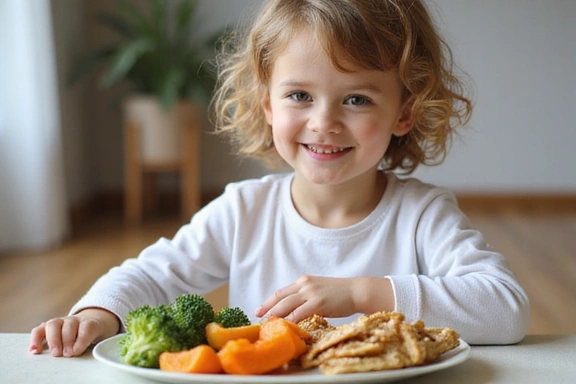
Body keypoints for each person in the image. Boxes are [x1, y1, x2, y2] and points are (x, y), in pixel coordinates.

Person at [30, 0, 530, 358]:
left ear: (405, 111)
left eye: (357, 99)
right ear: (267, 103)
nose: (324, 122)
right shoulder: (243, 210)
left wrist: (360, 294)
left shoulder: (422, 215)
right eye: (299, 96)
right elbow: (152, 274)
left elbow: (506, 309)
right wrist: (97, 314)